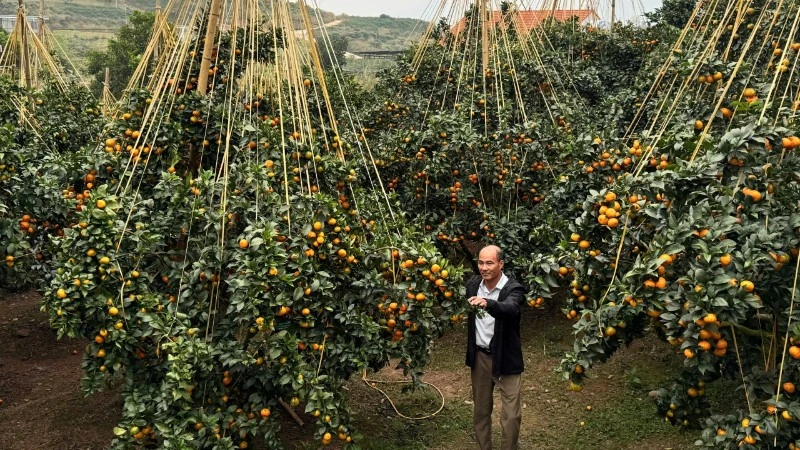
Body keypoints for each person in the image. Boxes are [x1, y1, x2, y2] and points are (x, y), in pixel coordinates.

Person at [466, 245, 527, 450]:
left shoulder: (514, 289)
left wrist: (488, 303)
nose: (484, 267)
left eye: (489, 263)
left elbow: (510, 308)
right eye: (481, 262)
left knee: (511, 416)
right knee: (481, 412)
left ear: (501, 264)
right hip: (481, 358)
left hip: (506, 358)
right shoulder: (473, 285)